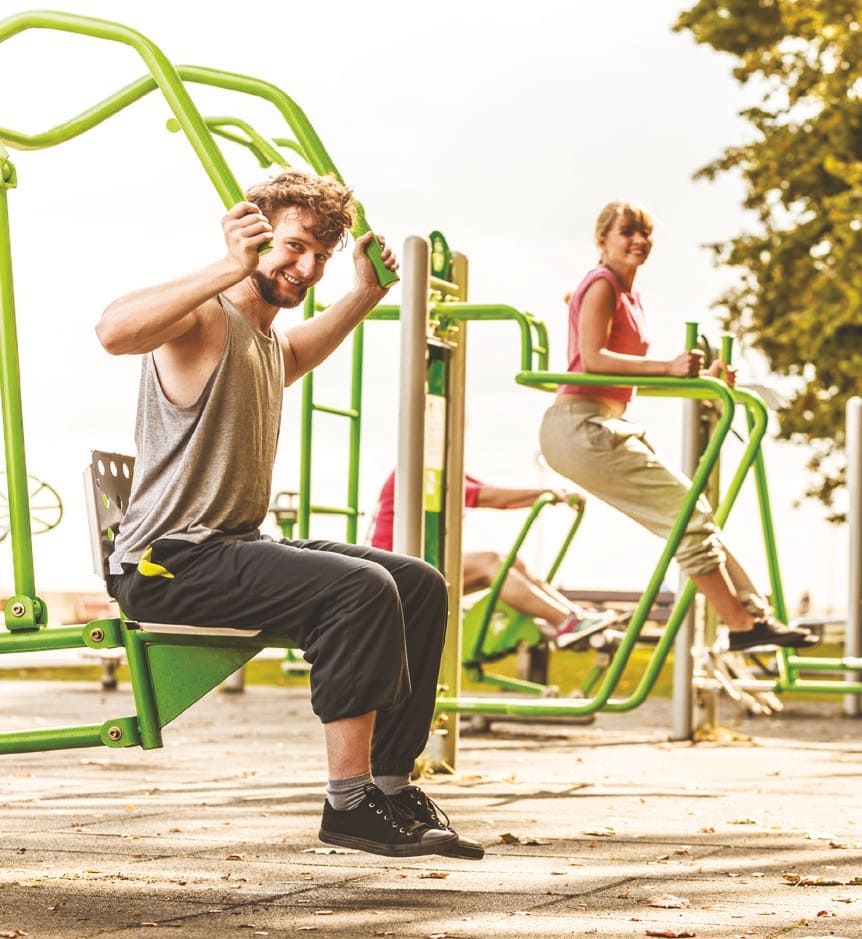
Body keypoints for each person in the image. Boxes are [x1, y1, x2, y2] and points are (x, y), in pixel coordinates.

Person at [95, 170, 483, 861]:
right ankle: (349, 803)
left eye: (319, 259)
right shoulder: (207, 315)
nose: (304, 269)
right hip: (166, 563)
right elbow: (113, 330)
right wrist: (225, 264)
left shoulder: (265, 339)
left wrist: (364, 292)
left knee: (418, 582)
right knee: (357, 590)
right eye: (293, 247)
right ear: (255, 231)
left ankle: (390, 787)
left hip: (227, 548)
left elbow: (302, 348)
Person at [538, 200, 819, 654]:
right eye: (627, 231)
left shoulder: (629, 294)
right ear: (602, 240)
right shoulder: (603, 285)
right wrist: (669, 367)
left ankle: (755, 615)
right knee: (688, 517)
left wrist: (700, 378)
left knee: (696, 512)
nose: (638, 241)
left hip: (603, 422)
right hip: (581, 426)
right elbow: (593, 360)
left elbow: (622, 369)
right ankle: (741, 625)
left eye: (644, 233)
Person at [368, 470, 620, 648]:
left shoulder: (447, 468)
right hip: (396, 570)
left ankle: (573, 617)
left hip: (417, 563)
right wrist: (547, 492)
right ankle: (566, 622)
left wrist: (548, 495)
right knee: (491, 563)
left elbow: (490, 493)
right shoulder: (423, 468)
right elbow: (486, 496)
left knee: (510, 562)